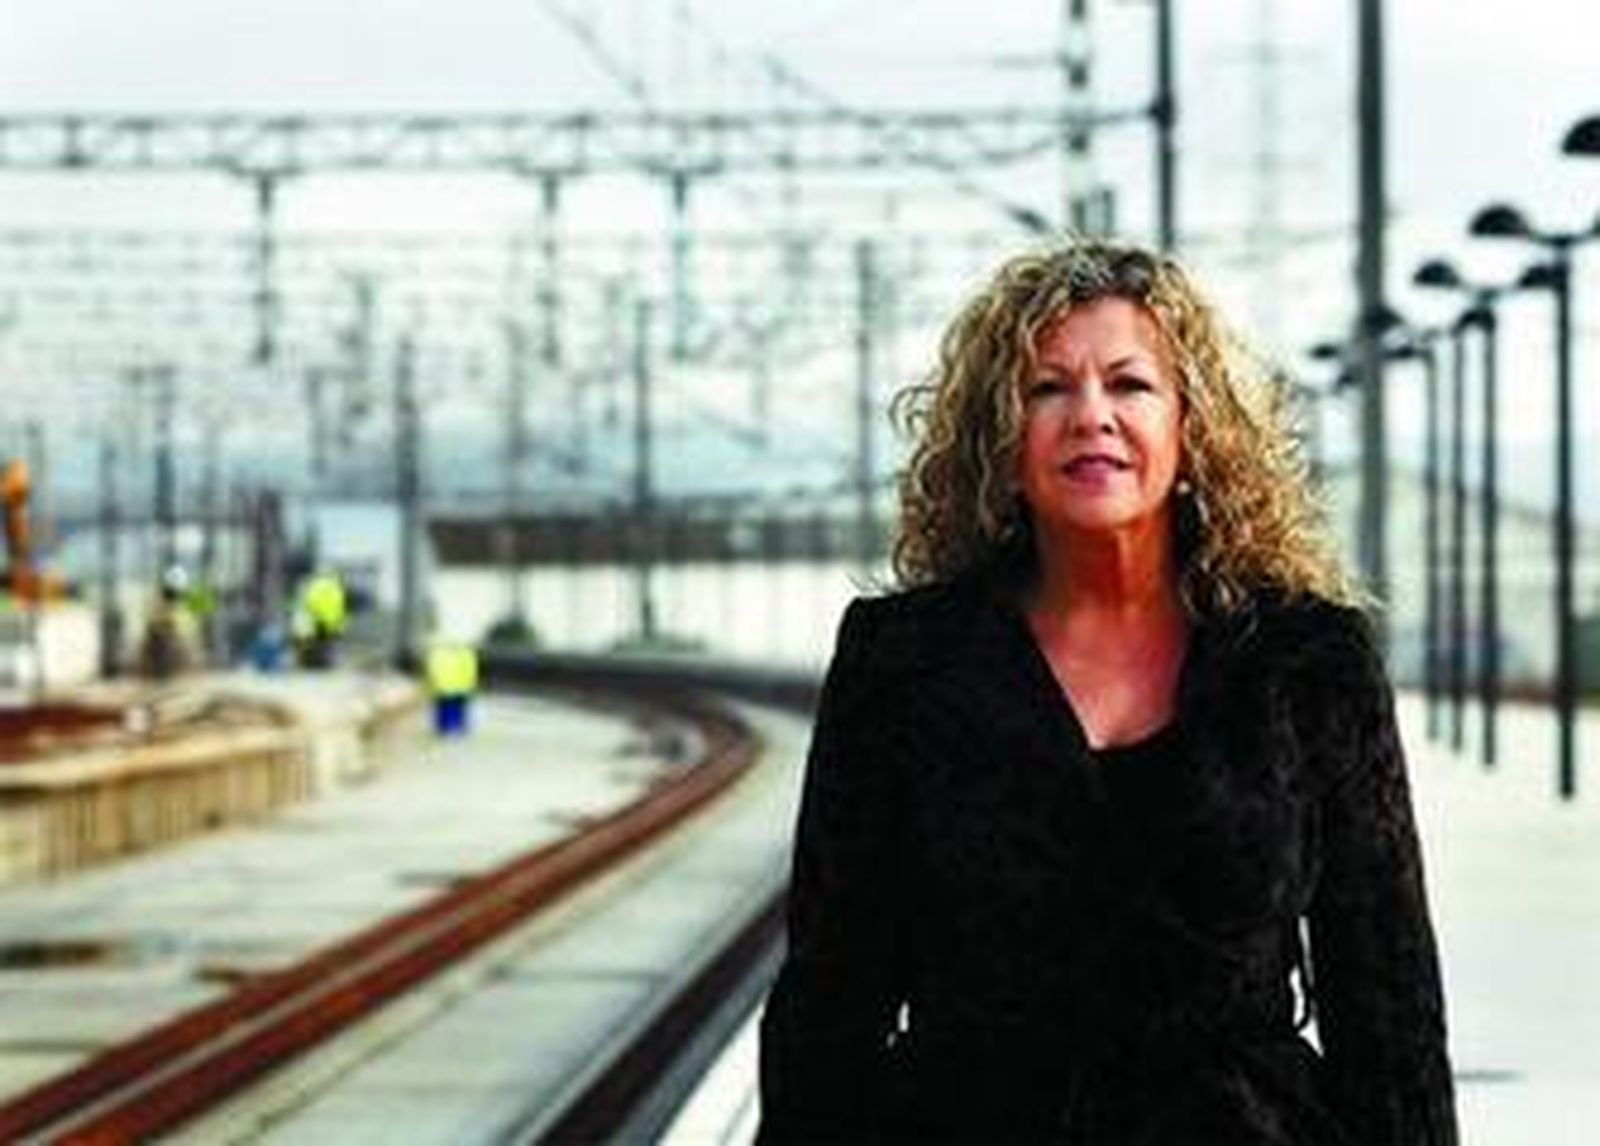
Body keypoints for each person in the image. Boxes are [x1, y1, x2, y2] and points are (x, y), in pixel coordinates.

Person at [758, 238, 1457, 1144]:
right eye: (1046, 388)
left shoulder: (1307, 658)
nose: (1091, 416)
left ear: (1192, 428)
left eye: (1129, 385)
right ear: (1001, 438)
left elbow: (1388, 1003)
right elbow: (829, 1002)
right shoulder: (902, 660)